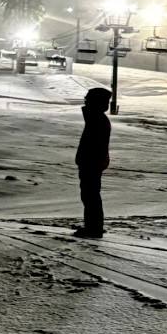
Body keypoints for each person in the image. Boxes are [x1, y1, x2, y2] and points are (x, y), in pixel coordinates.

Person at [75, 87, 112, 238]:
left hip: (91, 163)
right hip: (92, 162)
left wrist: (87, 160)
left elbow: (94, 145)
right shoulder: (97, 118)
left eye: (88, 98)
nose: (85, 101)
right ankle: (93, 226)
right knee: (90, 195)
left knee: (90, 196)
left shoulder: (97, 119)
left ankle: (94, 228)